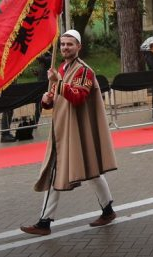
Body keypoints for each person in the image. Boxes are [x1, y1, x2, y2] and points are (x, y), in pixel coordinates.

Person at [21, 30, 117, 236]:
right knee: (90, 172)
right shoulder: (63, 68)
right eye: (63, 44)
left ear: (78, 47)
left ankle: (44, 222)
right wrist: (47, 100)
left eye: (70, 44)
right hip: (63, 131)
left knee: (63, 172)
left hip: (77, 132)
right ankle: (107, 210)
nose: (65, 47)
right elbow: (59, 99)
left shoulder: (85, 71)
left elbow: (78, 97)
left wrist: (59, 82)